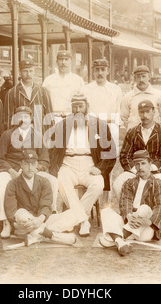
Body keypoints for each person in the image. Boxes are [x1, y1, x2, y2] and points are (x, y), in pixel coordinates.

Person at [49, 93, 117, 237]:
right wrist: (55, 169)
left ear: (87, 107)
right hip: (68, 164)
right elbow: (52, 152)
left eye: (81, 106)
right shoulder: (61, 126)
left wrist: (100, 168)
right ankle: (83, 219)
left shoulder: (99, 125)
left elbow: (110, 152)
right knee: (61, 181)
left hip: (90, 165)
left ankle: (70, 220)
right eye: (75, 107)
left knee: (98, 184)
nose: (78, 110)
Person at [0, 106, 58, 239]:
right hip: (11, 170)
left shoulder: (38, 136)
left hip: (31, 170)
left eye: (26, 116)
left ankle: (47, 218)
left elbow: (45, 160)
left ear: (31, 119)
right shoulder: (7, 135)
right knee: (1, 182)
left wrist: (34, 170)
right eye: (19, 116)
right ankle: (6, 222)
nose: (23, 120)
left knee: (53, 181)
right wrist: (10, 170)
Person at [4, 149, 84, 246]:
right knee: (20, 213)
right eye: (26, 164)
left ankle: (36, 235)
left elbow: (46, 205)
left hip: (42, 221)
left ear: (37, 164)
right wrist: (18, 225)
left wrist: (39, 220)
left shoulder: (44, 182)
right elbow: (11, 211)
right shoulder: (13, 184)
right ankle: (53, 235)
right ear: (21, 164)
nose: (30, 167)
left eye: (33, 164)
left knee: (78, 213)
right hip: (24, 224)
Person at [99, 150, 161, 256]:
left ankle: (118, 237)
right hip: (129, 222)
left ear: (150, 164)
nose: (140, 167)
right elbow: (125, 201)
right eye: (137, 164)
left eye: (143, 163)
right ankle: (121, 243)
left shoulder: (158, 184)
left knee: (144, 208)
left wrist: (149, 222)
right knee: (106, 211)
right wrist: (129, 215)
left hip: (145, 229)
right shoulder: (129, 183)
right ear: (135, 166)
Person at [113, 99, 161, 202]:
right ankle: (129, 213)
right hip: (134, 171)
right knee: (117, 185)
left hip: (155, 172)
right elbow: (124, 156)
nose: (144, 115)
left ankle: (156, 215)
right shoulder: (132, 132)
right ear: (138, 113)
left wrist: (150, 169)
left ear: (153, 111)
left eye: (147, 111)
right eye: (142, 112)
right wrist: (136, 169)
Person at [81, 58, 123, 203]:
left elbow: (118, 112)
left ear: (108, 71)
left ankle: (105, 202)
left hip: (109, 126)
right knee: (92, 162)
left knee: (107, 165)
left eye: (103, 70)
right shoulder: (86, 89)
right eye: (97, 70)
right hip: (91, 128)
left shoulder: (115, 89)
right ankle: (91, 198)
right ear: (93, 71)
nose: (100, 73)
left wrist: (114, 131)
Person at [4, 59, 53, 133]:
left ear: (34, 72)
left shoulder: (43, 91)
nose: (28, 74)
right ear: (20, 72)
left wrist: (50, 136)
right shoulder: (12, 93)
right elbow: (8, 119)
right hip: (20, 135)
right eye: (25, 71)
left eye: (31, 71)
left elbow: (49, 115)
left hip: (39, 134)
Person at [120, 65, 161, 131]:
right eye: (138, 77)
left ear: (149, 77)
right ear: (134, 78)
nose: (141, 80)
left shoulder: (159, 95)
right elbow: (124, 118)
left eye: (144, 76)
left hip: (153, 135)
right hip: (134, 136)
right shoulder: (128, 96)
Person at [42, 50, 85, 118]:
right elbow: (43, 102)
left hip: (72, 118)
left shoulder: (78, 80)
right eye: (61, 59)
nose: (63, 62)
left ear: (70, 61)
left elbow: (83, 103)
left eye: (66, 59)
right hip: (53, 118)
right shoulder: (48, 80)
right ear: (56, 62)